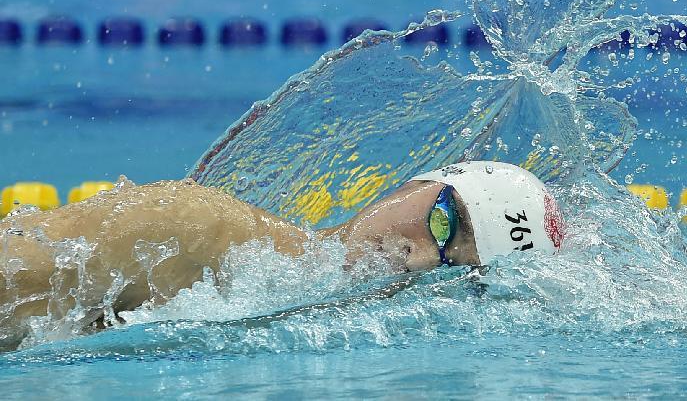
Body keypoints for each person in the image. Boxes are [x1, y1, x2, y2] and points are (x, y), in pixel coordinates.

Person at [0, 162, 564, 350]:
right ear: (415, 186)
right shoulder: (198, 228)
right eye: (444, 221)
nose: (417, 257)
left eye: (455, 270)